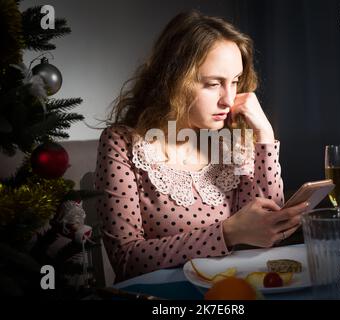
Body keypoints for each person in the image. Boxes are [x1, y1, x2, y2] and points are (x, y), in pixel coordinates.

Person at [94, 10, 308, 282]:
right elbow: (126, 259)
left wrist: (265, 135)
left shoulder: (231, 142)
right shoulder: (121, 144)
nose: (228, 100)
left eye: (235, 82)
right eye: (213, 84)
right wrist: (227, 233)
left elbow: (269, 234)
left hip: (232, 292)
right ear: (174, 81)